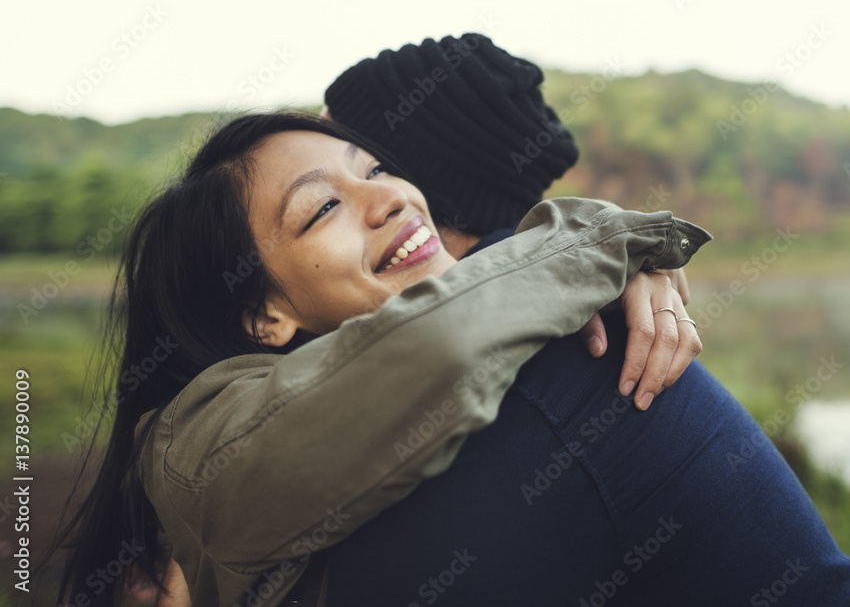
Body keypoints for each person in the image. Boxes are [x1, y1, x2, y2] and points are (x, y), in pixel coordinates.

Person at [54, 111, 710, 607]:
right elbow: (438, 346)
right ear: (262, 315)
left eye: (372, 169)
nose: (391, 197)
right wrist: (607, 245)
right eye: (324, 208)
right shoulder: (194, 444)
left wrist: (608, 267)